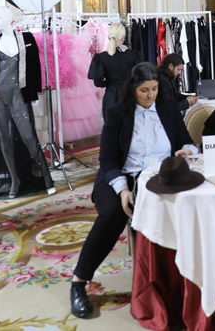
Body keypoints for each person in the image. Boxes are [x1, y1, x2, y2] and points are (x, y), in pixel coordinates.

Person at [70, 62, 196, 319]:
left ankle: (171, 284)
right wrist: (122, 190)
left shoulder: (168, 109)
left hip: (158, 177)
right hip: (119, 176)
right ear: (132, 89)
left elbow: (188, 142)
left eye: (154, 89)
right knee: (114, 214)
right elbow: (107, 160)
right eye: (144, 90)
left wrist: (187, 151)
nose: (150, 96)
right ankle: (79, 282)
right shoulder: (117, 113)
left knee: (184, 206)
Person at [0, 7, 54, 198]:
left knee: (29, 137)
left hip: (19, 94)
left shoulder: (26, 39)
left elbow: (35, 67)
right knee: (3, 139)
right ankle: (15, 180)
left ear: (9, 18)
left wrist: (34, 94)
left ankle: (46, 178)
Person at [88, 23, 142, 116]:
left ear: (108, 37)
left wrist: (109, 83)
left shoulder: (102, 57)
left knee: (111, 123)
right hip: (129, 96)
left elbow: (97, 82)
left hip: (111, 97)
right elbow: (139, 78)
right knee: (130, 123)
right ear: (123, 37)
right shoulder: (134, 55)